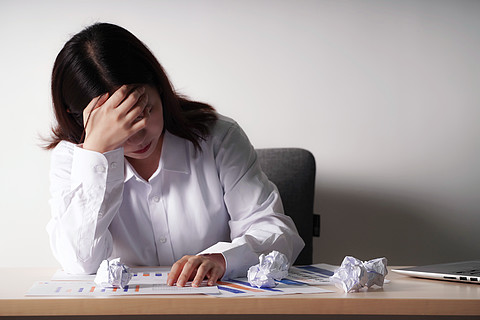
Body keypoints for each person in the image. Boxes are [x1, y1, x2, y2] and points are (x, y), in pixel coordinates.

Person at [45, 22, 304, 287]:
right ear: (79, 119)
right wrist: (97, 152)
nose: (139, 135)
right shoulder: (72, 160)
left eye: (145, 111)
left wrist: (223, 259)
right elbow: (80, 263)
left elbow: (277, 233)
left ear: (159, 87)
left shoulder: (219, 137)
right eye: (119, 126)